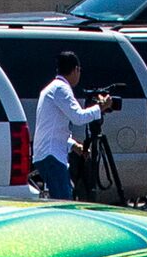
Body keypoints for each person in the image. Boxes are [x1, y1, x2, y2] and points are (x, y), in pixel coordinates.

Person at [33, 52, 112, 201]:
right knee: (64, 204)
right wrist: (100, 107)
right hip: (52, 155)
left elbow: (52, 129)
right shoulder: (61, 89)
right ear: (75, 69)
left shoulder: (51, 88)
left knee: (60, 200)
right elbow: (79, 117)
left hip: (47, 153)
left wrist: (73, 145)